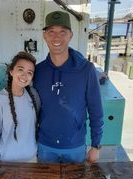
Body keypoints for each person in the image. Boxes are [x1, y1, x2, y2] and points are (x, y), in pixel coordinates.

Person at [33, 11, 104, 163]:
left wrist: (96, 145)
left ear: (70, 35)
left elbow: (96, 110)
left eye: (62, 32)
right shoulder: (38, 71)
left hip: (75, 147)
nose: (56, 37)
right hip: (45, 146)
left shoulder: (87, 69)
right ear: (44, 36)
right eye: (51, 32)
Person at [0, 51, 40, 162]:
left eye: (29, 72)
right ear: (11, 71)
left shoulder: (33, 95)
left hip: (32, 159)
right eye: (20, 69)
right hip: (7, 161)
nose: (24, 76)